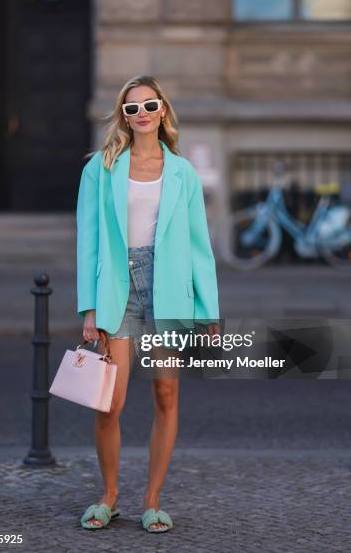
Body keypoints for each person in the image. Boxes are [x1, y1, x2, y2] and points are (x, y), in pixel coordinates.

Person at [76, 74, 220, 532]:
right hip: (120, 289)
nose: (141, 114)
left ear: (164, 111)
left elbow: (200, 245)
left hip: (170, 287)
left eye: (149, 105)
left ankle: (152, 500)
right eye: (132, 108)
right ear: (123, 115)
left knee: (166, 391)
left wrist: (208, 308)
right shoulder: (100, 168)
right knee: (108, 403)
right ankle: (108, 496)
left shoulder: (183, 172)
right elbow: (88, 242)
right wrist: (89, 308)